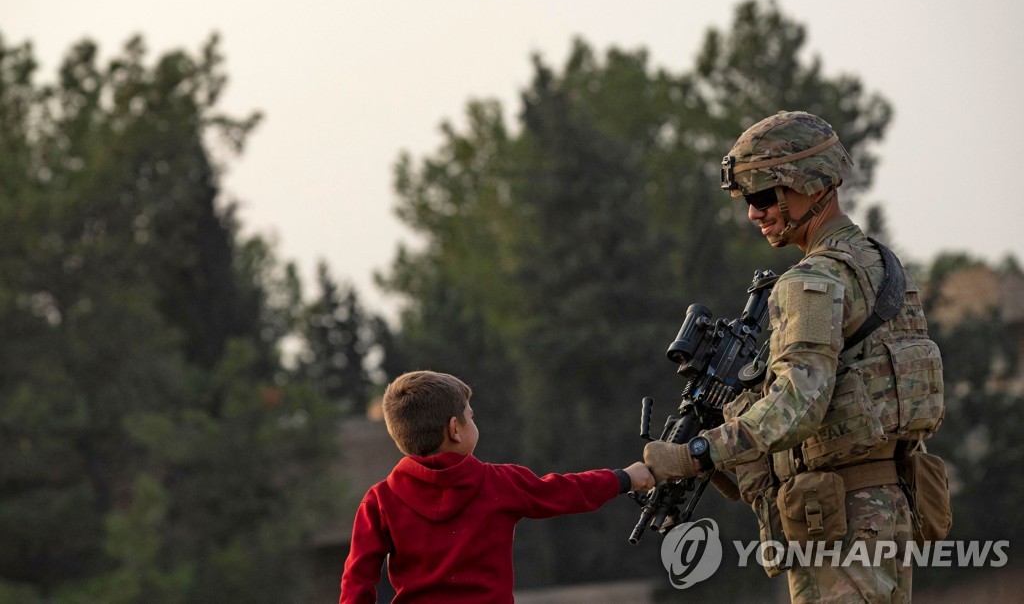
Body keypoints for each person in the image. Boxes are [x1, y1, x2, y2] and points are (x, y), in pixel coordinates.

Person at [644, 111, 944, 603]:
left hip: (840, 523)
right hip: (886, 510)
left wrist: (696, 453)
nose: (753, 214)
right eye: (748, 200)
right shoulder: (883, 266)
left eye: (763, 197)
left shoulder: (812, 282)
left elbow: (798, 405)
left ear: (809, 186)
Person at [339, 369, 654, 603]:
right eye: (471, 417)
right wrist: (624, 478)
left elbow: (357, 581)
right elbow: (565, 492)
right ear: (455, 430)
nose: (474, 422)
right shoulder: (500, 483)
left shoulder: (379, 501)